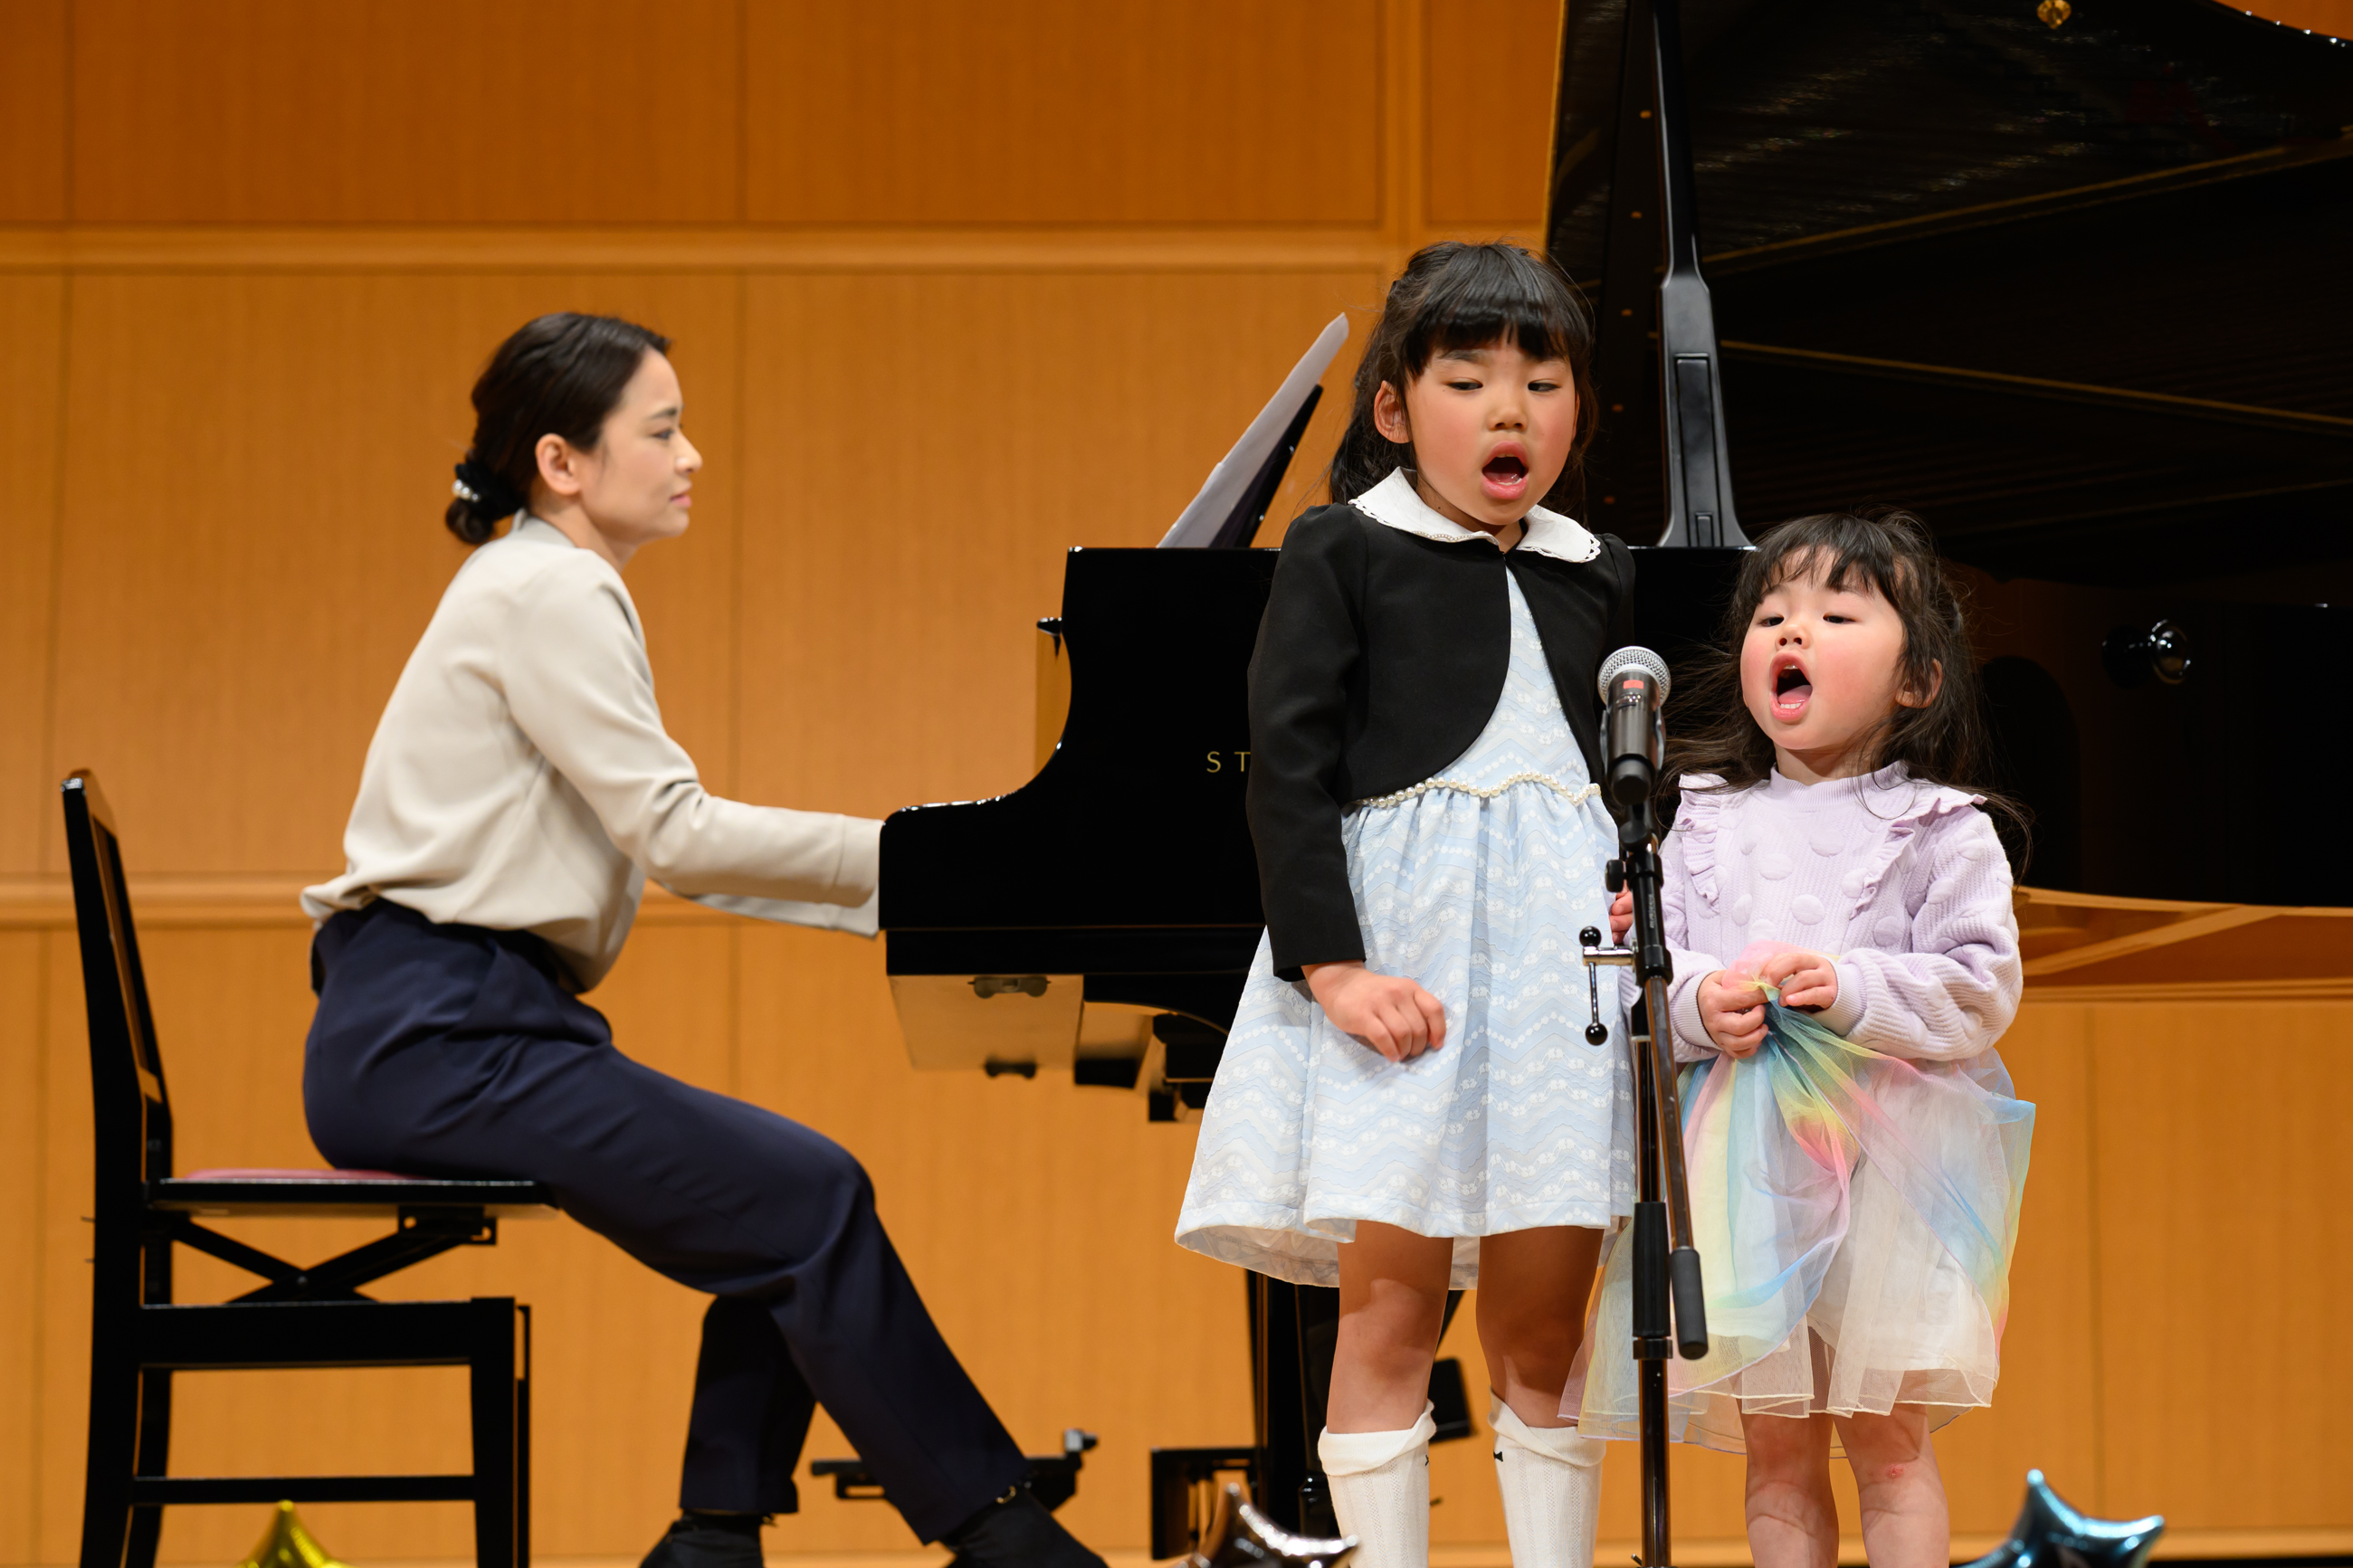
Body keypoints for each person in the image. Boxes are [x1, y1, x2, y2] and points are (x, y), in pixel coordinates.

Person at [300, 312, 1105, 1568]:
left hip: (440, 1023)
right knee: (810, 1196)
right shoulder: (551, 588)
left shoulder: (530, 581)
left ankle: (716, 1540)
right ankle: (1000, 1539)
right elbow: (675, 833)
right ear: (564, 461)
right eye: (663, 431)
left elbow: (672, 850)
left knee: (774, 1209)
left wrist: (925, 895)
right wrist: (929, 863)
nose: (692, 457)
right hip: (443, 1032)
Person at [1175, 242, 1636, 1568]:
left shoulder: (1594, 566)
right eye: (1470, 378)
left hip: (1565, 985)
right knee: (1389, 1320)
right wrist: (1334, 969)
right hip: (1404, 977)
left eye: (1543, 383)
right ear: (1394, 407)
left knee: (1547, 1334)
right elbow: (1290, 775)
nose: (1511, 411)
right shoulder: (1342, 546)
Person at [1572, 509, 2034, 1568]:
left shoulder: (1941, 825)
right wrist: (1697, 1004)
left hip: (1887, 1176)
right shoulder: (1690, 815)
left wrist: (1847, 986)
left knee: (1887, 1440)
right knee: (1774, 1448)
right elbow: (1645, 971)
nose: (1792, 632)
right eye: (1770, 614)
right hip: (1740, 1182)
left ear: (1915, 678)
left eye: (1834, 612)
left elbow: (1978, 987)